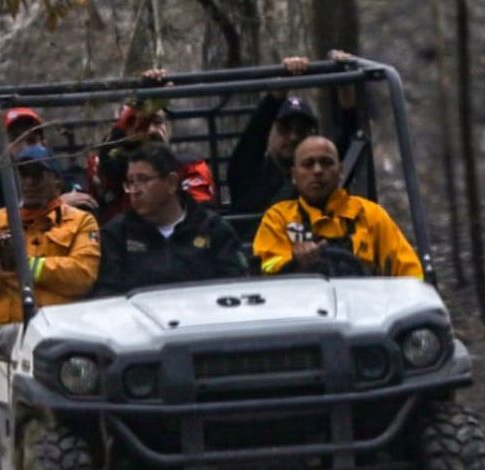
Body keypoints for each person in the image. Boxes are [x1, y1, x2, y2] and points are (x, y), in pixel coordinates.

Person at [0, 145, 101, 352]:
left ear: (57, 182)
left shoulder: (81, 222)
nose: (29, 182)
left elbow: (83, 276)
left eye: (38, 175)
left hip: (63, 326)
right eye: (24, 175)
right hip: (7, 327)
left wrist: (24, 265)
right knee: (37, 347)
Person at [253, 136, 423, 279]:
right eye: (308, 164)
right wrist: (296, 262)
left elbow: (410, 272)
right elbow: (266, 271)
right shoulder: (278, 219)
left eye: (326, 163)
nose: (318, 170)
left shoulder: (370, 215)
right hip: (303, 310)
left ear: (340, 170)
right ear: (294, 174)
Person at [93, 142, 246, 296]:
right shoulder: (116, 234)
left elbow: (236, 286)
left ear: (172, 183)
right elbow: (107, 295)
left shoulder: (213, 228)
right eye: (131, 182)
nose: (135, 190)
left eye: (143, 179)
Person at [228, 53, 359, 214]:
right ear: (271, 131)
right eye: (285, 128)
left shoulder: (319, 176)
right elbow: (254, 136)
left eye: (302, 131)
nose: (293, 137)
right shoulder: (248, 174)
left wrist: (341, 74)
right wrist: (280, 87)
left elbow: (348, 137)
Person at [86, 73, 216, 225]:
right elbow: (106, 171)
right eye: (142, 123)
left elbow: (200, 219)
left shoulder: (190, 167)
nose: (151, 130)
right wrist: (138, 106)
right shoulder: (105, 166)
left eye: (157, 122)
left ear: (169, 129)